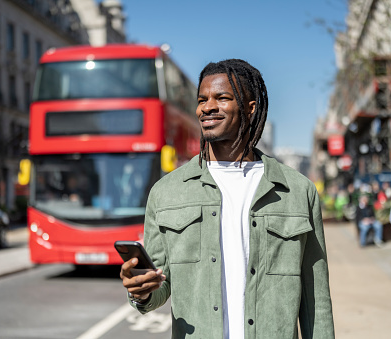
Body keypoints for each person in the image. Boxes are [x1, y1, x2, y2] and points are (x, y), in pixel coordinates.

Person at [119, 59, 334, 338]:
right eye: (202, 100)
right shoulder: (166, 192)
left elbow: (316, 300)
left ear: (250, 107)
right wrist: (143, 291)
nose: (207, 107)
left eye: (222, 98)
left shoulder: (297, 190)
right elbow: (160, 287)